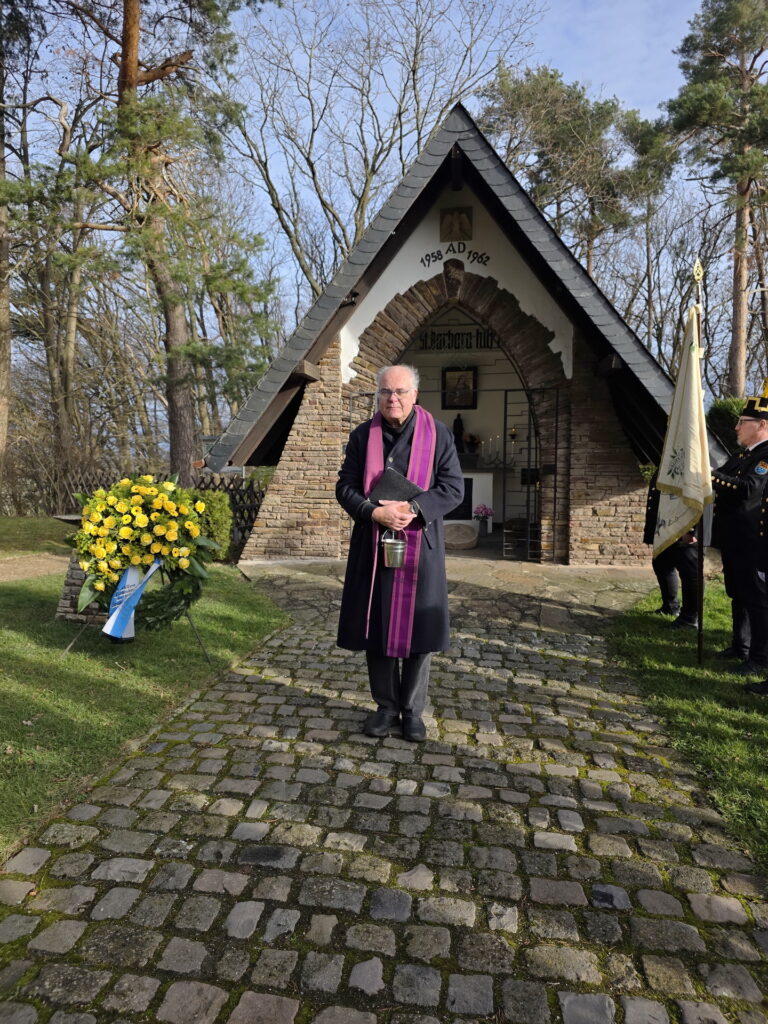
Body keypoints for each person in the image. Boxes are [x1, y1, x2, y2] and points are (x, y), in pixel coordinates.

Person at [336, 364, 464, 741]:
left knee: (419, 633)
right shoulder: (362, 436)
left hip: (420, 549)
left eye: (401, 392)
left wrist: (414, 510)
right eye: (385, 392)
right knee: (376, 628)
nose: (393, 399)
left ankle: (412, 711)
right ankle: (385, 706)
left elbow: (453, 487)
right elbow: (345, 486)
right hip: (373, 548)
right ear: (377, 395)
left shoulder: (438, 435)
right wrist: (374, 511)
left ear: (415, 395)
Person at [710, 384, 768, 689]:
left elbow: (747, 488)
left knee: (757, 601)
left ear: (761, 425)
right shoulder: (742, 455)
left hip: (753, 541)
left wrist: (711, 476)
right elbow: (726, 477)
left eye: (741, 422)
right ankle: (741, 646)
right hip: (736, 539)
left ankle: (759, 658)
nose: (736, 427)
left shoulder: (766, 456)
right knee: (738, 595)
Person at [643, 471, 698, 628]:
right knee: (661, 563)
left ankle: (690, 618)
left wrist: (693, 530)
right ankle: (671, 606)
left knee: (689, 573)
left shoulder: (693, 463)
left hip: (684, 530)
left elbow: (699, 497)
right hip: (666, 528)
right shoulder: (670, 460)